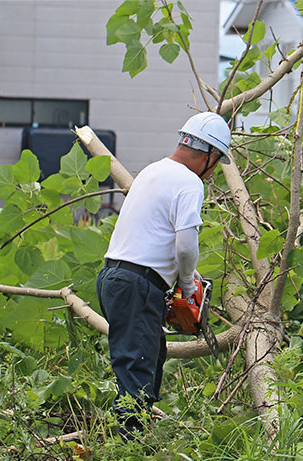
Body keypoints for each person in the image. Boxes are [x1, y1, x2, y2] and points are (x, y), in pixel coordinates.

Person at [96, 111, 231, 438]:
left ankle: (136, 434)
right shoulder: (189, 182)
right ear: (209, 156)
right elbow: (185, 246)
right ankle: (127, 447)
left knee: (151, 353)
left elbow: (154, 235)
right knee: (136, 364)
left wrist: (182, 278)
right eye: (215, 166)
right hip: (136, 283)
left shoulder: (153, 170)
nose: (213, 174)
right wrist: (186, 285)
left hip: (114, 277)